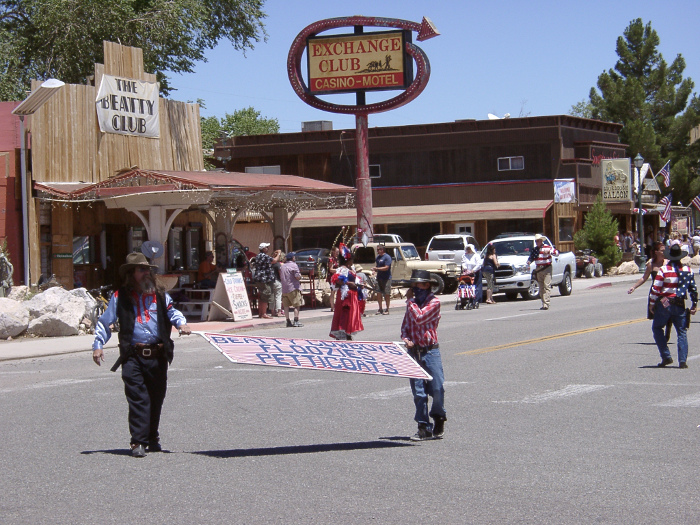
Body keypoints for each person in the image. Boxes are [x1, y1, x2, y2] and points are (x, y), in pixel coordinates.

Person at [92, 252, 192, 457]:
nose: (147, 273)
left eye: (148, 269)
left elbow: (172, 312)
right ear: (132, 274)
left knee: (156, 398)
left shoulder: (160, 295)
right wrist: (98, 345)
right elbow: (105, 322)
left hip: (158, 354)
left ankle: (152, 437)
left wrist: (181, 324)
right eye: (142, 269)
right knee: (138, 398)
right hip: (133, 355)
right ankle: (138, 441)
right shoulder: (120, 297)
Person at [401, 269, 446, 441]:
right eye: (413, 285)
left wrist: (409, 301)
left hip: (430, 351)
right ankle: (423, 426)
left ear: (427, 285)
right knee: (419, 393)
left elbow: (420, 318)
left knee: (437, 388)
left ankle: (439, 416)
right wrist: (406, 339)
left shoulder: (434, 302)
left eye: (418, 284)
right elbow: (406, 326)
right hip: (414, 353)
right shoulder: (412, 305)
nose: (415, 288)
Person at [649, 244, 698, 368]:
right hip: (680, 303)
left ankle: (666, 356)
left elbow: (656, 288)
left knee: (657, 327)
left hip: (665, 301)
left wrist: (652, 303)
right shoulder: (688, 270)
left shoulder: (664, 270)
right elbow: (693, 289)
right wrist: (694, 304)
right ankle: (682, 361)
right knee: (681, 331)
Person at [329, 244, 364, 340]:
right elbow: (337, 280)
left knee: (350, 315)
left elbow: (355, 279)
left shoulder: (350, 269)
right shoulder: (342, 269)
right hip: (345, 296)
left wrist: (359, 285)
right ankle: (342, 332)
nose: (352, 261)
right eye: (352, 259)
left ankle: (348, 333)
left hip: (352, 295)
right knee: (344, 313)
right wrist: (348, 283)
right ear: (348, 260)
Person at [528, 234, 559, 310]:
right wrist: (528, 262)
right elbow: (531, 257)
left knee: (546, 286)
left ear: (541, 241)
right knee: (541, 287)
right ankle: (543, 302)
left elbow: (556, 253)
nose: (537, 242)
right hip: (539, 269)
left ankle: (546, 304)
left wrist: (549, 252)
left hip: (547, 268)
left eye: (538, 241)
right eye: (536, 241)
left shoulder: (547, 247)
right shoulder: (535, 250)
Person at [253, 242, 280, 319]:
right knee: (266, 295)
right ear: (263, 249)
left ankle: (261, 313)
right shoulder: (263, 256)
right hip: (264, 279)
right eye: (267, 247)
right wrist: (278, 254)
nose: (268, 248)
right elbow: (274, 260)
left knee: (262, 296)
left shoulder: (259, 256)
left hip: (260, 278)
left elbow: (269, 261)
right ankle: (264, 313)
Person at [279, 252, 304, 327]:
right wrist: (300, 276)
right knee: (297, 305)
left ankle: (288, 321)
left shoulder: (282, 266)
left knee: (286, 306)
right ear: (292, 258)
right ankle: (296, 320)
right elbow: (297, 276)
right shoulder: (294, 265)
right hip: (293, 288)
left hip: (284, 288)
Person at [372, 244, 393, 314]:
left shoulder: (387, 257)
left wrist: (377, 268)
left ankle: (387, 309)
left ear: (382, 250)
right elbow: (377, 266)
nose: (377, 251)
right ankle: (380, 308)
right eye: (377, 250)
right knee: (378, 293)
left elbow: (386, 267)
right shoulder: (377, 258)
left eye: (378, 250)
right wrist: (374, 270)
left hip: (386, 278)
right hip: (379, 278)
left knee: (387, 294)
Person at [271, 249, 284, 317]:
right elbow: (280, 273)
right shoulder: (277, 264)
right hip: (277, 281)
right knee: (278, 297)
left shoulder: (269, 263)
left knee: (272, 297)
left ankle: (272, 312)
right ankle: (279, 312)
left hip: (270, 281)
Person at [327, 246, 339, 312]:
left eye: (338, 252)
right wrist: (338, 270)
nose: (337, 253)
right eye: (336, 252)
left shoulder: (336, 259)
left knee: (336, 291)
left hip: (336, 276)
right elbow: (331, 269)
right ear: (333, 252)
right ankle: (332, 306)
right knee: (332, 291)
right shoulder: (331, 259)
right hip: (332, 277)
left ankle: (335, 305)